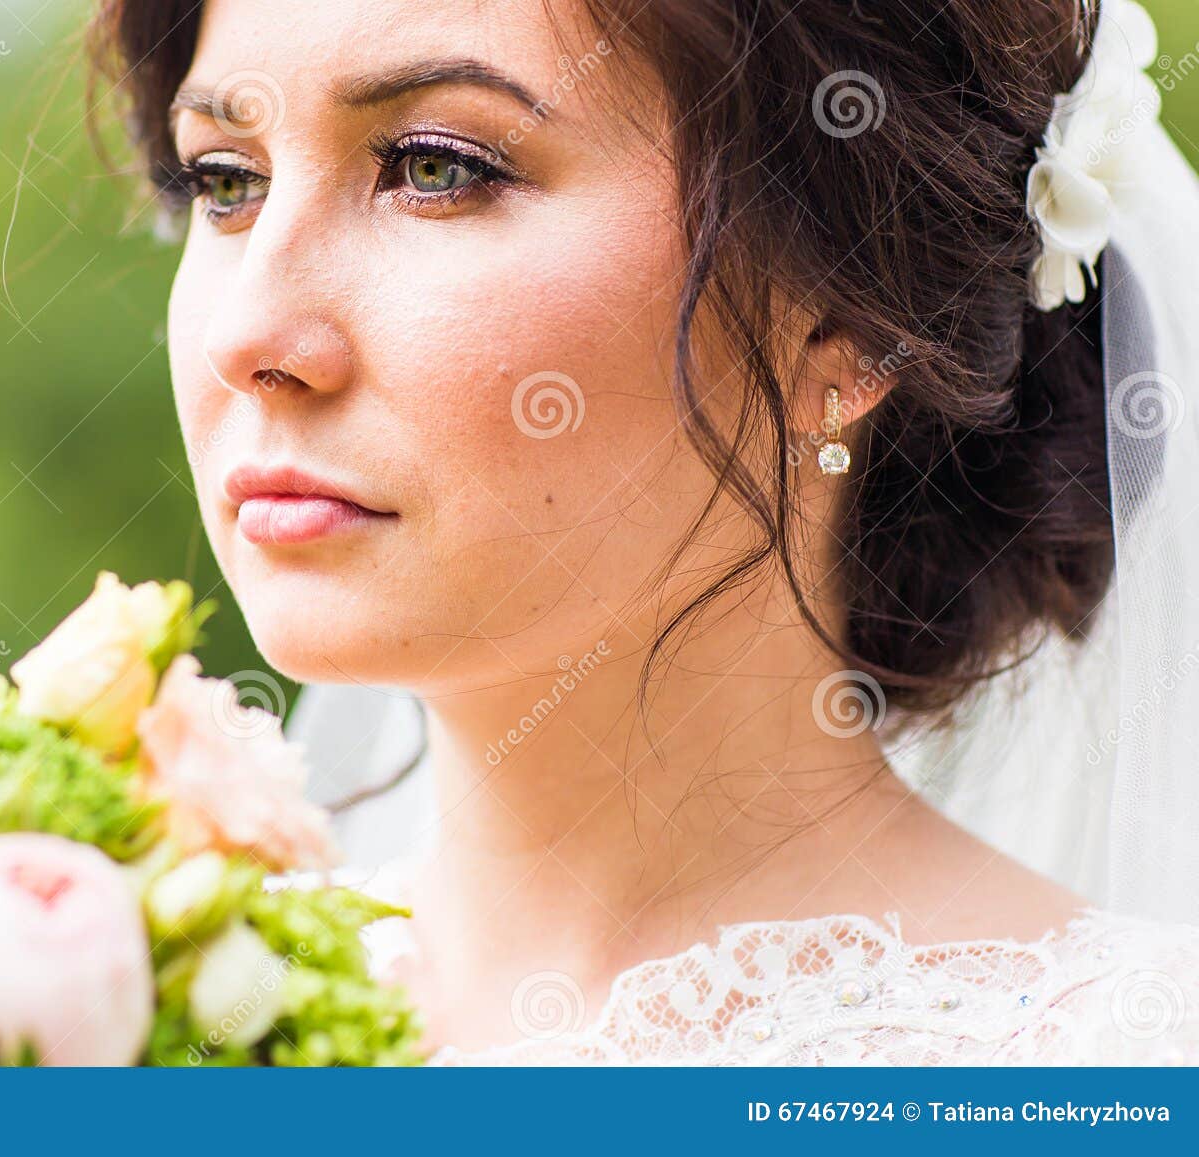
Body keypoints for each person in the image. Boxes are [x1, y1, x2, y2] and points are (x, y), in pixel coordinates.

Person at [90, 0, 1199, 1063]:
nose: (248, 334)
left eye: (436, 167)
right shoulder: (107, 999)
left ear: (852, 322)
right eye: (225, 181)